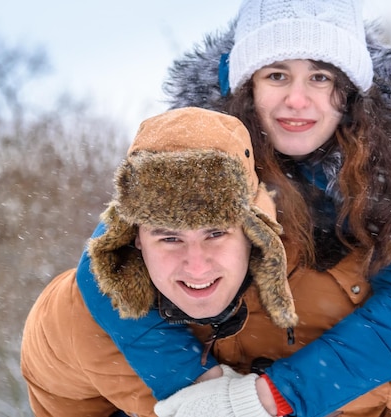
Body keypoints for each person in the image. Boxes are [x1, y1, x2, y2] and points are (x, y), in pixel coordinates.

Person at [74, 0, 391, 416]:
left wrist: (270, 398)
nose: (298, 100)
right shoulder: (202, 139)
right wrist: (202, 387)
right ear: (248, 85)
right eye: (277, 75)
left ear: (350, 92)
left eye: (320, 77)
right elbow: (104, 265)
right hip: (219, 350)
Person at [21, 107, 299, 417]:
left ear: (252, 231)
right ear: (134, 236)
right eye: (170, 238)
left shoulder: (316, 282)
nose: (197, 266)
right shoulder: (72, 318)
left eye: (216, 233)